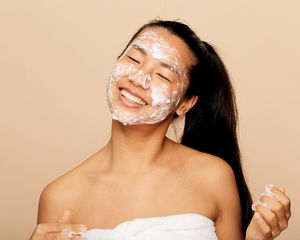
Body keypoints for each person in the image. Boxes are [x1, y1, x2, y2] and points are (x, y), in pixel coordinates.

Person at [30, 20, 291, 240]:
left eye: (163, 76)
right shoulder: (59, 197)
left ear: (185, 104)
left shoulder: (213, 177)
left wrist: (257, 238)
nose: (138, 78)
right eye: (134, 59)